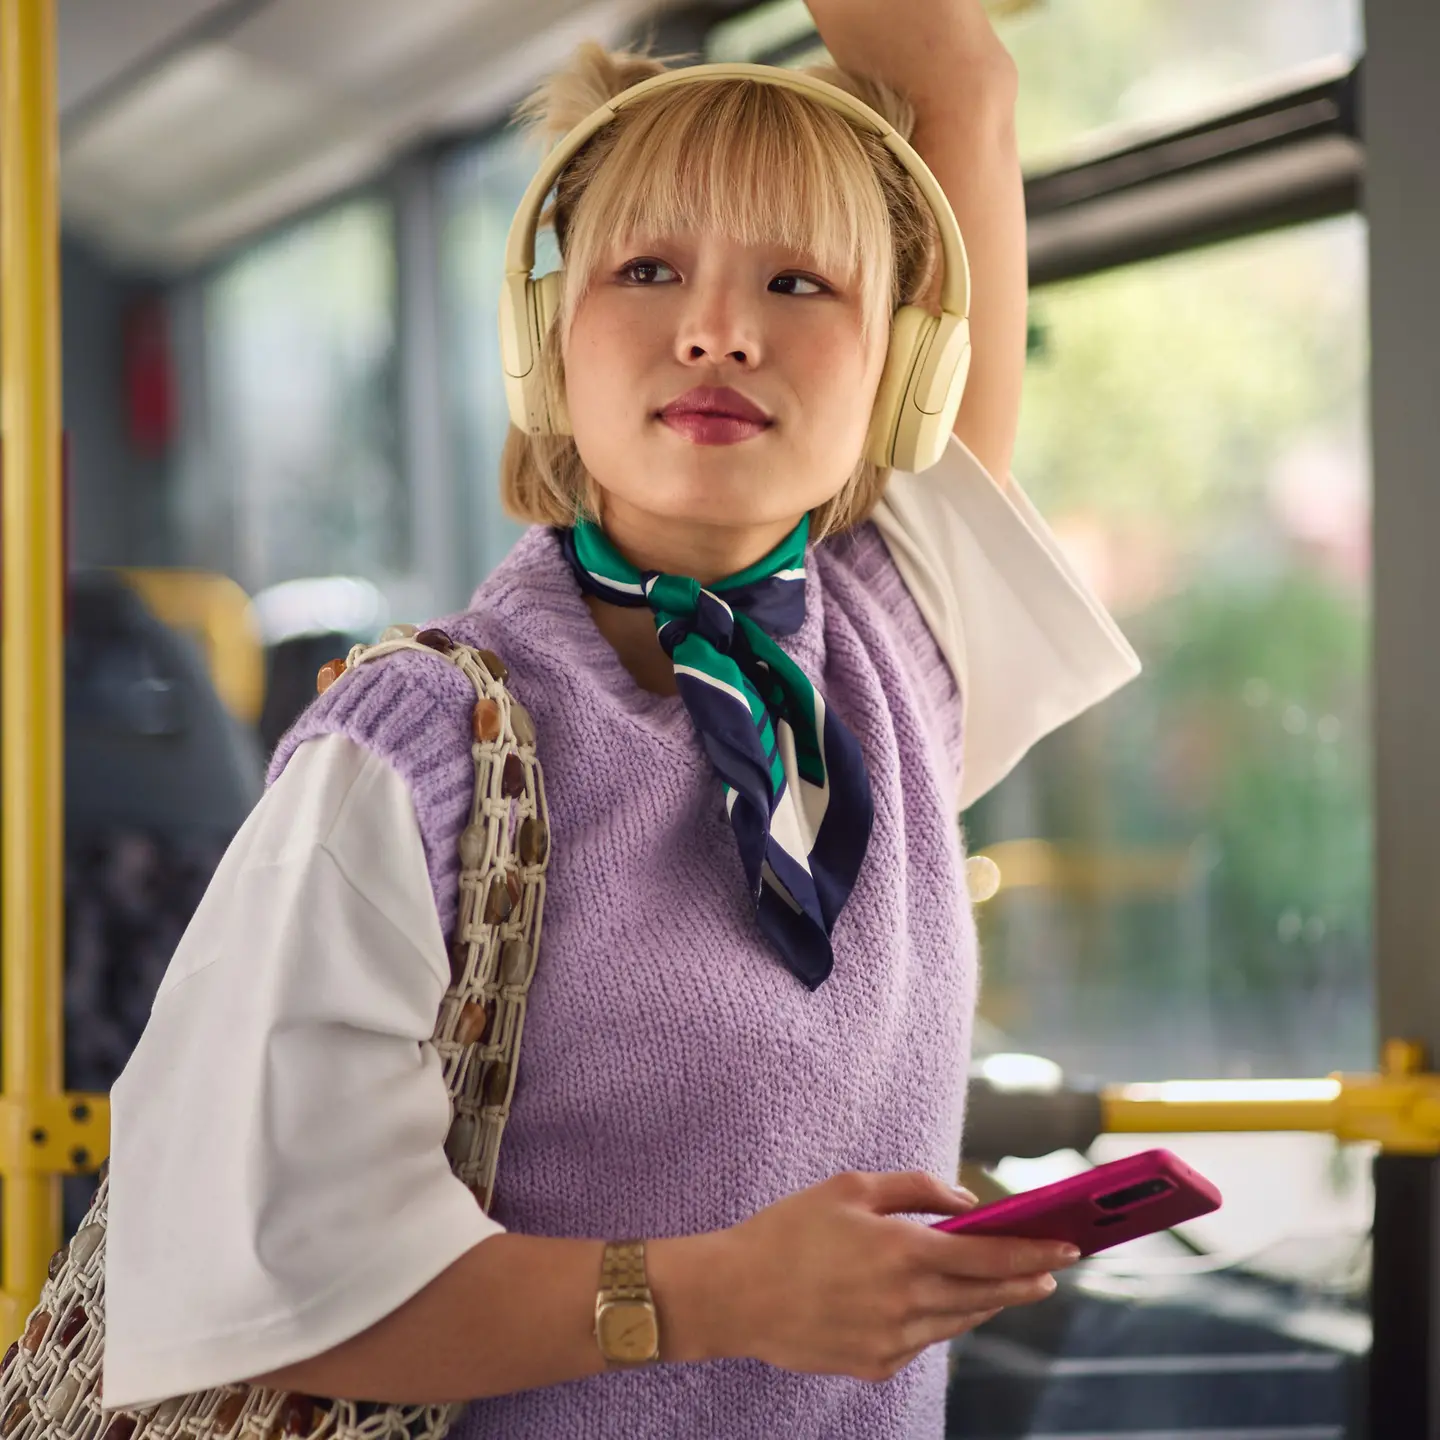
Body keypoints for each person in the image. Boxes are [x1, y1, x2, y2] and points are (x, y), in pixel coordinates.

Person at [100, 2, 1139, 1436]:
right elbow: (277, 1297)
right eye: (646, 269)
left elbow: (964, 86)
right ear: (546, 346)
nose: (718, 330)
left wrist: (966, 82)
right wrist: (722, 1297)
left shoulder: (882, 671)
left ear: (901, 376)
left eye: (799, 285)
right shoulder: (409, 756)